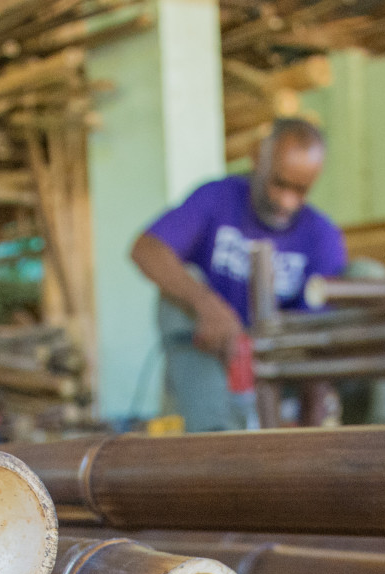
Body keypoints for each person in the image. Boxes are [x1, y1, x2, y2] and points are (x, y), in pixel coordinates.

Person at [131, 119, 347, 431]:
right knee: (174, 296)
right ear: (258, 158)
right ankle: (213, 436)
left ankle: (383, 428)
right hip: (212, 358)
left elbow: (317, 341)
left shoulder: (321, 234)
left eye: (300, 190)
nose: (287, 201)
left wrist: (310, 435)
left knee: (363, 276)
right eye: (279, 184)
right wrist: (206, 305)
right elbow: (146, 249)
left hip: (280, 367)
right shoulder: (217, 198)